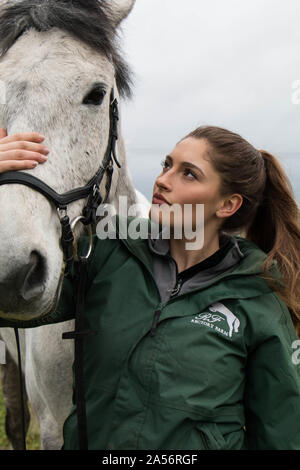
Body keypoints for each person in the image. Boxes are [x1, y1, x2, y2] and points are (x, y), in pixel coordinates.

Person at [0, 125, 300, 450]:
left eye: (189, 174)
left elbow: (280, 432)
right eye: (167, 164)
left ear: (227, 205)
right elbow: (13, 301)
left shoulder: (257, 294)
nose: (162, 180)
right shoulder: (108, 252)